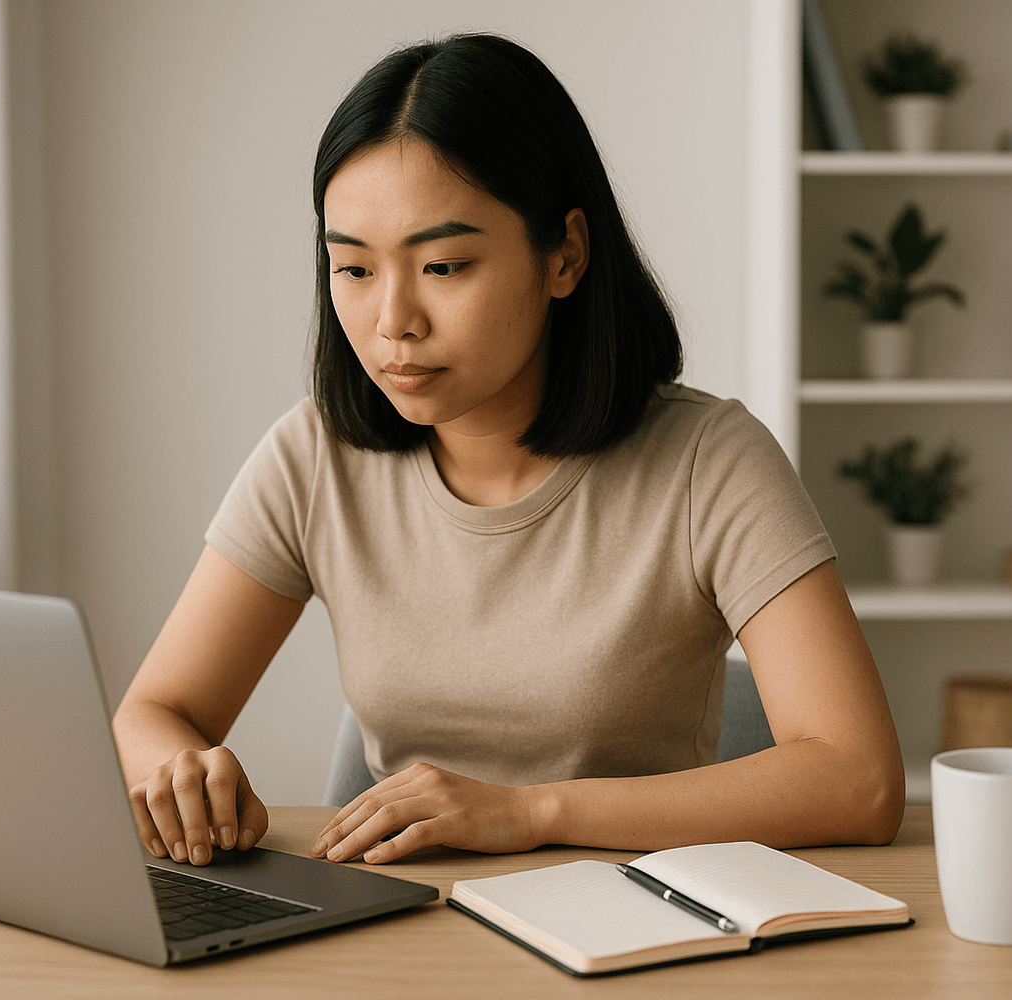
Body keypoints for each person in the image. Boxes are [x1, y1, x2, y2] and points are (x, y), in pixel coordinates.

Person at [111, 32, 904, 870]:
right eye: (353, 270)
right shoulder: (315, 455)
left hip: (634, 928)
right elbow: (153, 711)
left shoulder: (710, 461)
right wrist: (182, 777)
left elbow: (857, 780)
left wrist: (529, 813)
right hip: (399, 925)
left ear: (564, 254)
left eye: (444, 266)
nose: (392, 324)